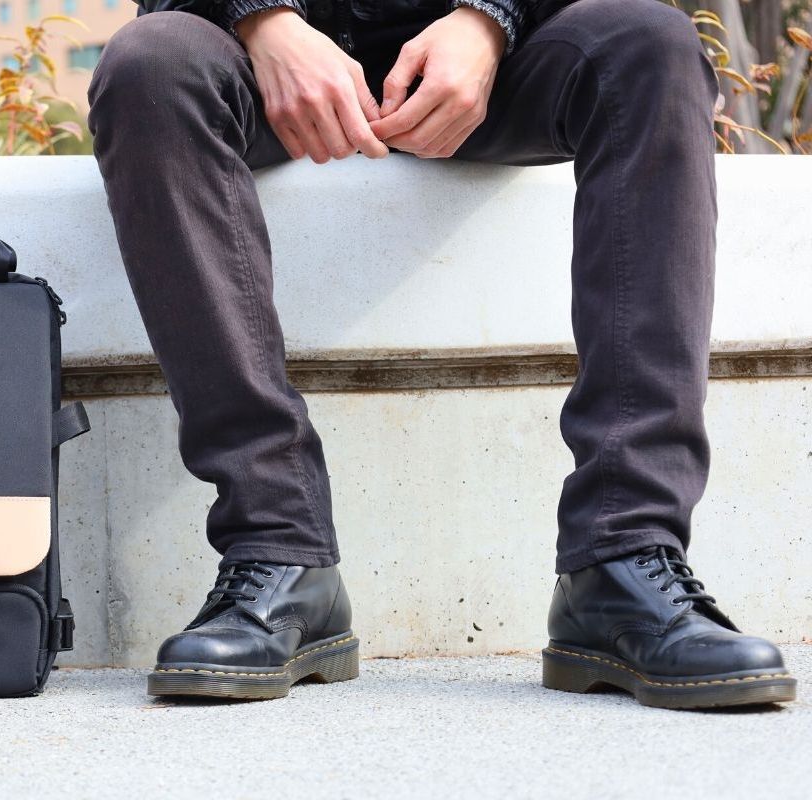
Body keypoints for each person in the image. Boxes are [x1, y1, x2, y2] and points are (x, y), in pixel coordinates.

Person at [86, 0, 798, 708]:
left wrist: (488, 20)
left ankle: (622, 558)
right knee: (152, 63)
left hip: (493, 63)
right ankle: (279, 549)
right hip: (259, 59)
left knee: (650, 46)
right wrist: (262, 20)